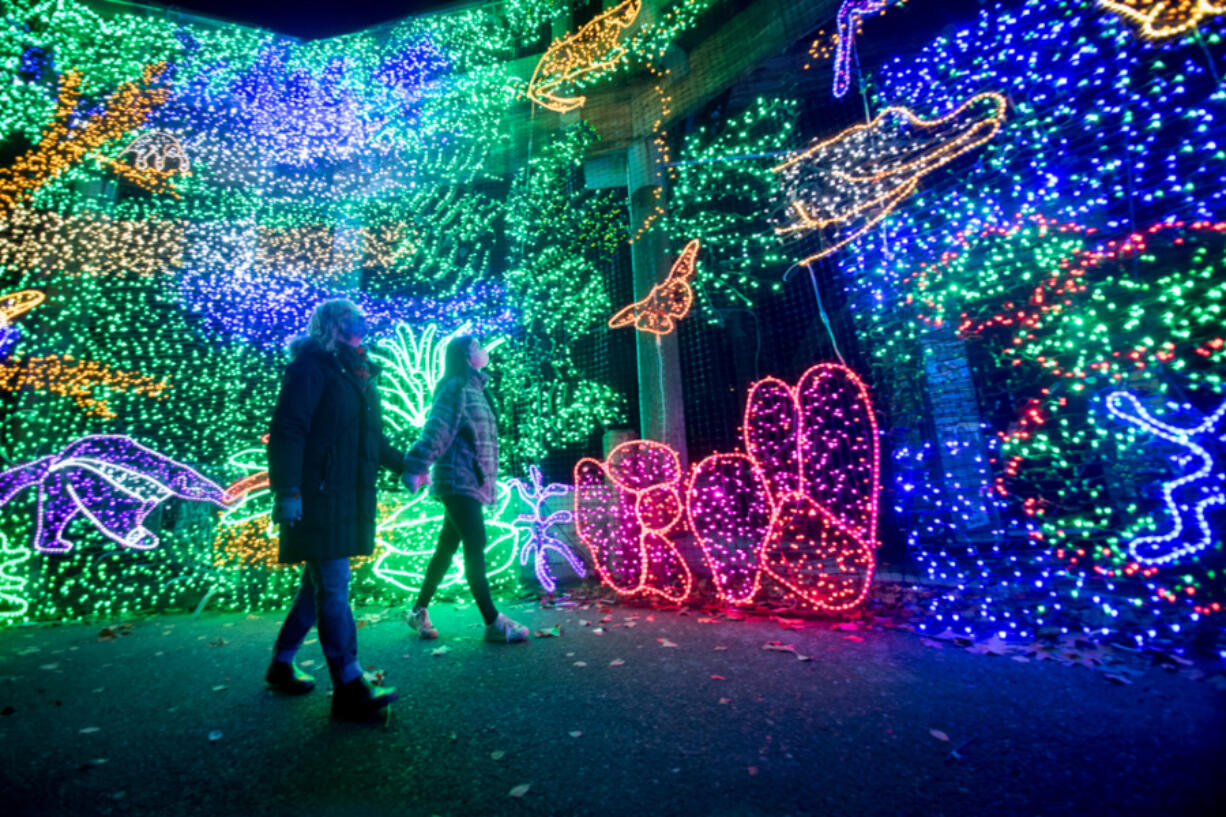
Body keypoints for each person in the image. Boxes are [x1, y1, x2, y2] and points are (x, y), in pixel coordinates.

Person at [265, 299, 406, 720]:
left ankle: (281, 662)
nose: (358, 325)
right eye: (348, 320)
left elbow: (370, 440)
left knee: (319, 585)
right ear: (329, 326)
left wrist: (408, 466)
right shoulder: (311, 367)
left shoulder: (358, 374)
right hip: (319, 495)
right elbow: (288, 430)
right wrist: (288, 491)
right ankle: (348, 683)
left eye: (359, 319)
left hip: (345, 493)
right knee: (333, 584)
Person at [402, 335, 530, 643]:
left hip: (471, 479)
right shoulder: (456, 387)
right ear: (463, 355)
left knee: (446, 546)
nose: (481, 350)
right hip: (457, 478)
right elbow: (437, 429)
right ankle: (493, 622)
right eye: (475, 347)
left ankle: (418, 610)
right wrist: (416, 464)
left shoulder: (476, 389)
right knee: (476, 541)